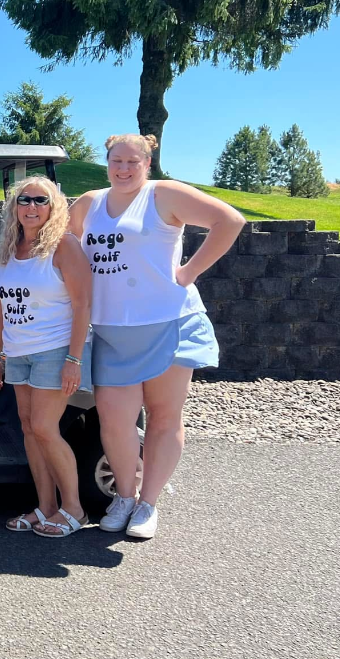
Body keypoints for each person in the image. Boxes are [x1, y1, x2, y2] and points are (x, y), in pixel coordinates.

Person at [69, 134, 245, 539]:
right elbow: (64, 248)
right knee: (114, 423)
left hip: (169, 323)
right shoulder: (89, 203)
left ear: (148, 163)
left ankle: (149, 504)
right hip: (111, 331)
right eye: (117, 161)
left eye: (134, 162)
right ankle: (124, 497)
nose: (124, 169)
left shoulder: (163, 194)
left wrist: (188, 272)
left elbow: (229, 221)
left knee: (165, 419)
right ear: (107, 161)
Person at [0, 176, 94, 538]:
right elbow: (3, 305)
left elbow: (83, 306)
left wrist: (74, 360)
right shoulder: (9, 248)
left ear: (54, 206)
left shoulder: (64, 246)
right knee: (30, 430)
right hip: (18, 353)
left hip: (54, 350)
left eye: (41, 200)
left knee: (46, 429)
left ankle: (74, 509)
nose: (31, 207)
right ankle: (46, 507)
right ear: (14, 207)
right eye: (24, 200)